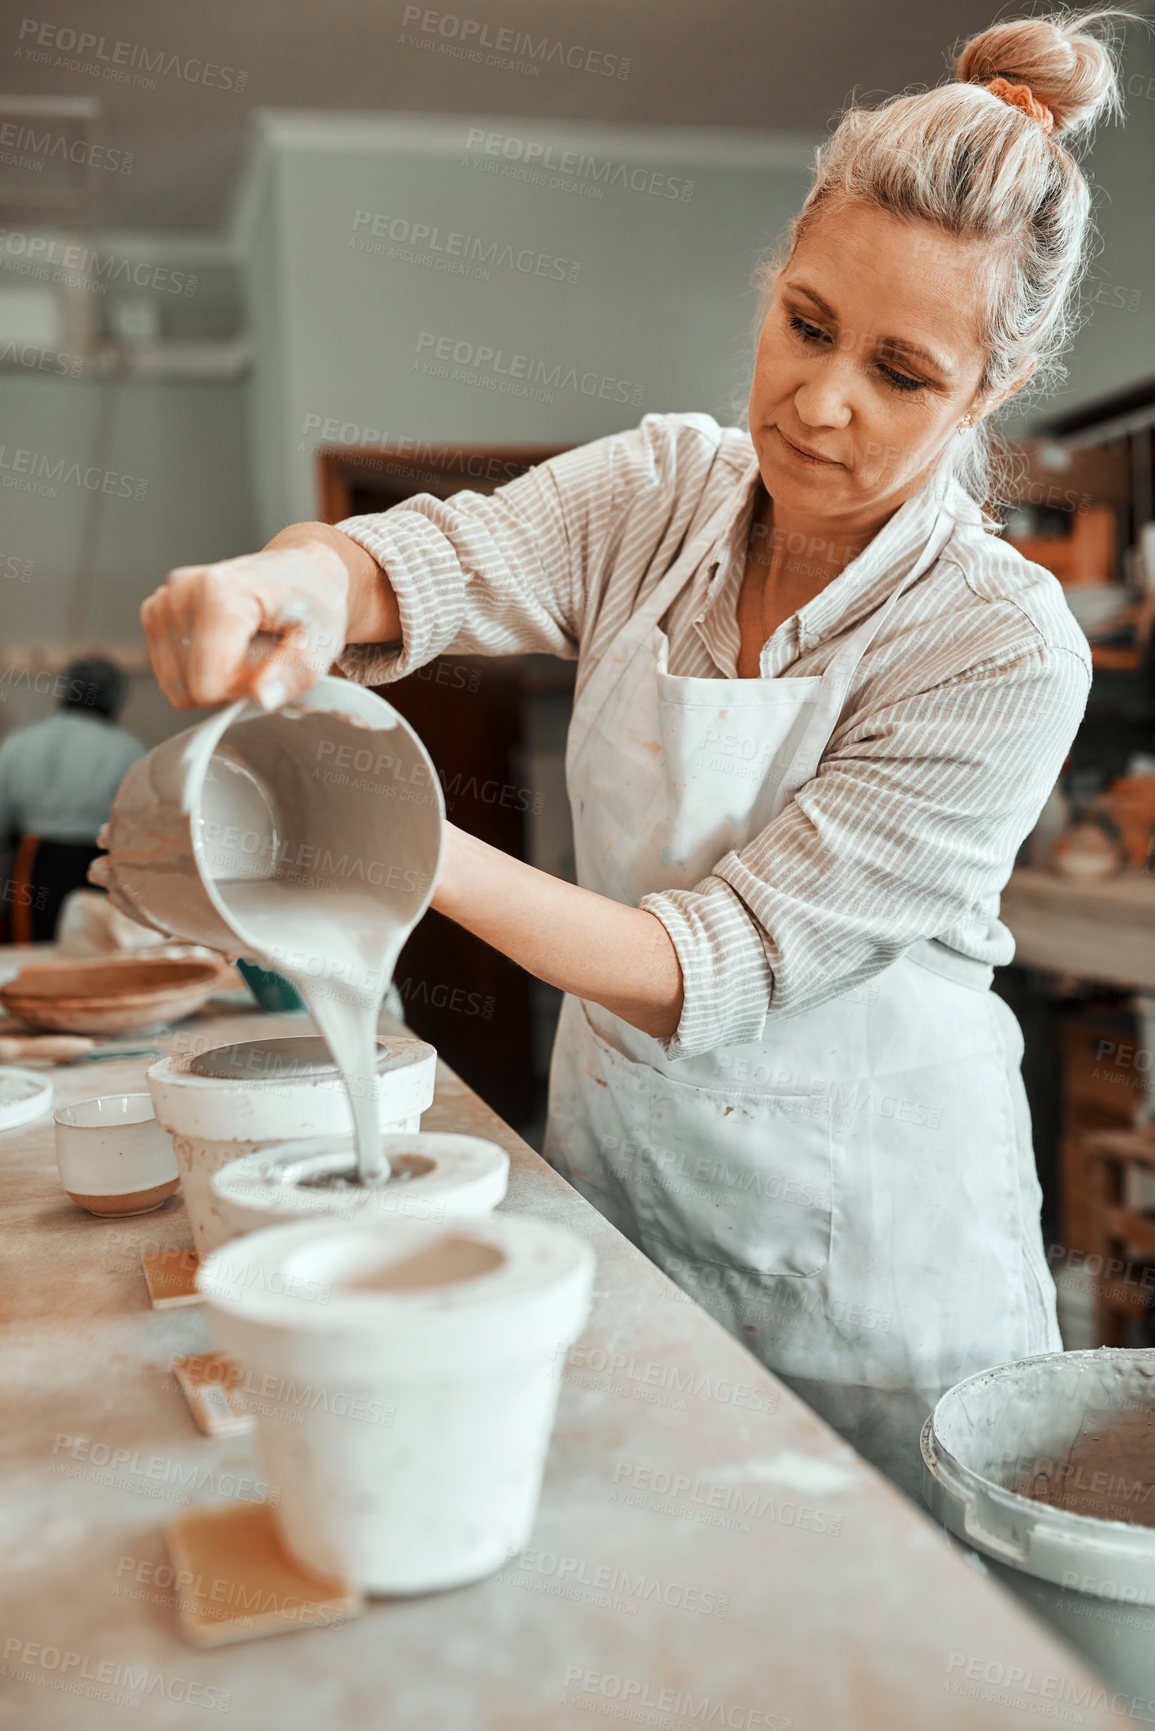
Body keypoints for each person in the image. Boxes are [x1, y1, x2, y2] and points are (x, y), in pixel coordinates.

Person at [132, 12, 1127, 1497]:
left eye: (900, 372)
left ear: (985, 390)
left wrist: (386, 826)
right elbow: (420, 559)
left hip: (867, 1273)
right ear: (771, 278)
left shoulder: (998, 643)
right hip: (627, 1191)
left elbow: (707, 967)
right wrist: (287, 586)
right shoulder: (660, 491)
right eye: (803, 324)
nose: (819, 398)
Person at [0, 658, 144, 942]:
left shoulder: (20, 741)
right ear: (115, 699)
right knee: (95, 945)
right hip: (101, 866)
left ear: (63, 692)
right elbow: (140, 822)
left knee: (33, 950)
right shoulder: (129, 749)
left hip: (35, 862)